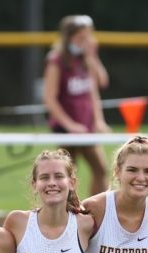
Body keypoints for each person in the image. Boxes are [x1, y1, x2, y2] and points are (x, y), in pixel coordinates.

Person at [43, 14, 111, 196]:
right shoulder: (56, 60)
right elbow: (49, 98)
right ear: (68, 38)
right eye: (81, 37)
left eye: (88, 36)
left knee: (101, 169)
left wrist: (99, 120)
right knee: (66, 174)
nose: (86, 41)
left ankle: (97, 211)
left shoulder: (85, 59)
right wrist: (70, 125)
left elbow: (100, 84)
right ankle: (67, 214)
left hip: (86, 127)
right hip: (67, 129)